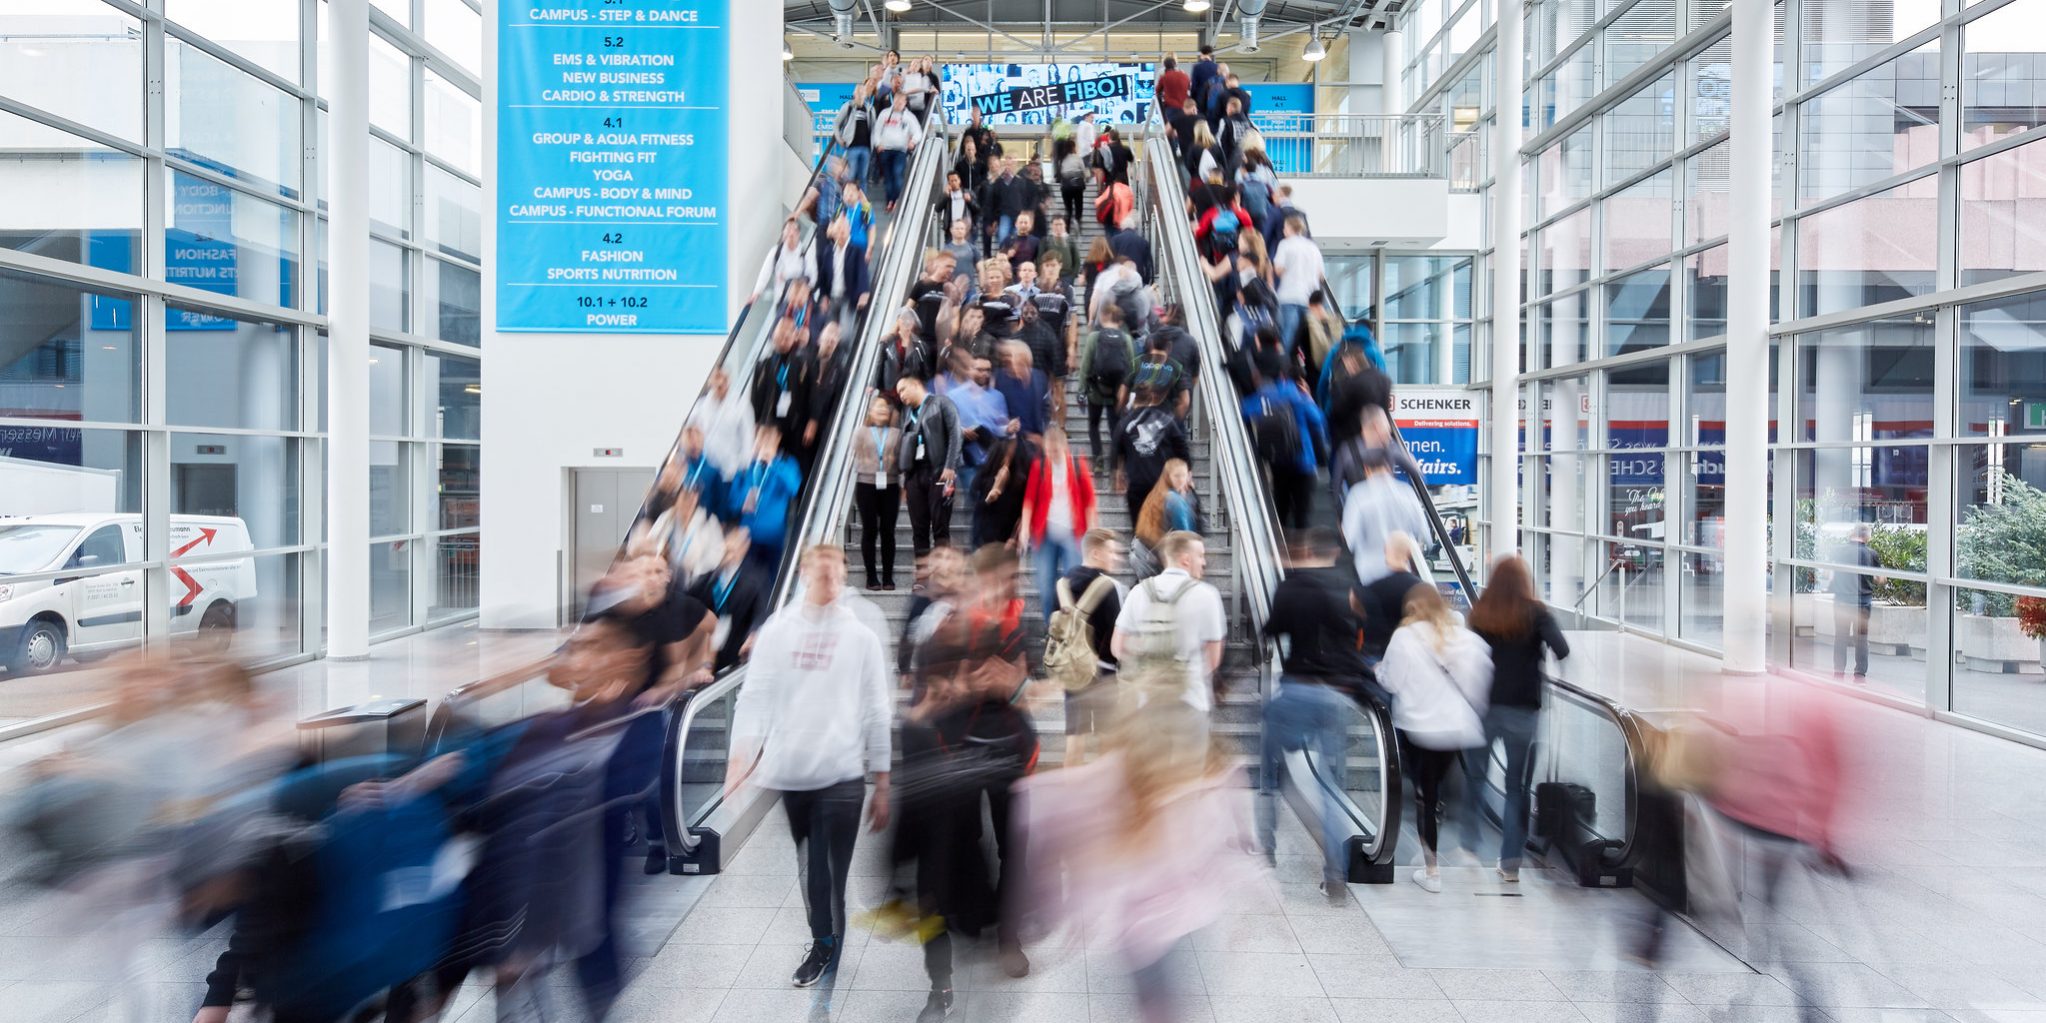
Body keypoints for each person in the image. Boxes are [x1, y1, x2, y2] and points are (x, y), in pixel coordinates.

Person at [728, 545, 893, 987]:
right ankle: (826, 933)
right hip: (792, 773)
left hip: (842, 774)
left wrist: (882, 780)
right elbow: (754, 696)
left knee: (823, 865)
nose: (831, 583)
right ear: (804, 574)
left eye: (837, 575)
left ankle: (824, 944)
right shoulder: (778, 631)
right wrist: (740, 756)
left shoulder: (860, 637)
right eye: (822, 575)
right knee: (809, 862)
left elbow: (878, 710)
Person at [1258, 528, 1372, 897]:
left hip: (1295, 688)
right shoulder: (1346, 589)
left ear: (1305, 552)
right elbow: (1351, 637)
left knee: (1269, 776)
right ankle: (1335, 874)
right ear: (1334, 553)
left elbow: (1271, 629)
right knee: (1328, 787)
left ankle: (1266, 852)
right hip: (1332, 694)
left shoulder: (1291, 588)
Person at [1378, 584, 1491, 894]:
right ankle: (1430, 849)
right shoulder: (1463, 637)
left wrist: (1378, 671)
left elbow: (1391, 682)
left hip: (1419, 728)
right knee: (1434, 792)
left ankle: (1431, 869)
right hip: (1454, 729)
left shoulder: (1404, 637)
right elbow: (1481, 677)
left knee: (1424, 796)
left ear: (1412, 607)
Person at [1463, 555, 1569, 881]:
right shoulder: (1537, 613)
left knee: (1475, 777)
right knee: (1516, 788)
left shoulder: (1481, 611)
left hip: (1484, 706)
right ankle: (1510, 863)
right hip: (1523, 710)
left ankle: (1469, 848)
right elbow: (1562, 648)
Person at [1112, 531, 1228, 714]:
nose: (1204, 562)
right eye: (1200, 556)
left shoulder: (1139, 591)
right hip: (1190, 702)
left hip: (1146, 701)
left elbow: (1118, 648)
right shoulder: (1207, 594)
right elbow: (1213, 660)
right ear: (1186, 559)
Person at [1050, 528, 1125, 764]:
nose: (1116, 558)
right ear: (1095, 553)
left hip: (1073, 671)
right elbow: (1116, 635)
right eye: (1111, 552)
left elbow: (1055, 628)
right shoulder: (1109, 586)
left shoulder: (1061, 585)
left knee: (1075, 743)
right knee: (1107, 742)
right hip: (1104, 673)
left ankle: (1071, 786)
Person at [1242, 357, 1330, 529]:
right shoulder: (1299, 397)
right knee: (1302, 517)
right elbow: (1318, 420)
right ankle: (1301, 543)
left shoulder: (1266, 396)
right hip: (1304, 463)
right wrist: (1309, 398)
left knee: (1280, 514)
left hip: (1278, 462)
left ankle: (1279, 542)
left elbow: (1245, 410)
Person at [1020, 426, 1096, 618]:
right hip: (1045, 535)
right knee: (1046, 586)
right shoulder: (1039, 466)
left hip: (1073, 534)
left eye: (1055, 451)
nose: (1051, 455)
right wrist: (1025, 529)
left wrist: (1092, 534)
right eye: (1048, 451)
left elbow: (1089, 502)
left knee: (1073, 586)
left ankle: (1070, 627)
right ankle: (1051, 627)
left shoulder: (1078, 465)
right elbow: (1029, 500)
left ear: (1064, 447)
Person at [684, 524, 772, 674]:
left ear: (745, 546)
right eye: (730, 547)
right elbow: (688, 599)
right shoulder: (709, 577)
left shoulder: (757, 577)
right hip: (705, 650)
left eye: (738, 545)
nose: (733, 551)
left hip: (736, 647)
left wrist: (754, 633)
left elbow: (762, 610)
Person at [896, 373, 963, 555]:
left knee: (940, 527)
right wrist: (904, 480)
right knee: (919, 529)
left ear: (916, 384)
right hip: (914, 474)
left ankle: (942, 570)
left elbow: (956, 434)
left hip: (939, 471)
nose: (901, 396)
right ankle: (922, 572)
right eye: (899, 393)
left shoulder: (942, 403)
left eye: (903, 389)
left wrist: (950, 465)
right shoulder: (907, 413)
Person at [1343, 448, 1429, 586]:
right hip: (1401, 568)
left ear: (1366, 469)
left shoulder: (1358, 495)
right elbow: (1424, 533)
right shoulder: (1406, 492)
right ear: (1389, 468)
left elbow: (1350, 538)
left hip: (1370, 571)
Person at [725, 424, 804, 570]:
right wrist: (744, 499)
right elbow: (732, 502)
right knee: (744, 576)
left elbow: (794, 487)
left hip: (773, 538)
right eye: (762, 437)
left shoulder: (787, 463)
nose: (765, 442)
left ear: (778, 439)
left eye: (769, 438)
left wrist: (773, 463)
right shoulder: (746, 466)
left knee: (771, 579)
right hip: (747, 536)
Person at [1115, 385, 1192, 527]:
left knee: (1139, 527)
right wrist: (1187, 472)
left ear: (1134, 399)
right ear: (1152, 398)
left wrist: (1118, 472)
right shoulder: (1166, 420)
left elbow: (1117, 449)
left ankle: (1139, 540)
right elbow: (1182, 447)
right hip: (1162, 482)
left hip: (1136, 483)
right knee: (1163, 526)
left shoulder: (1125, 423)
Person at [852, 395, 905, 590]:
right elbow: (855, 455)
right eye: (878, 407)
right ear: (870, 412)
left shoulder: (897, 433)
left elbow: (902, 459)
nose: (882, 410)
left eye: (885, 407)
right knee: (869, 530)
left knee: (888, 531)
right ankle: (871, 577)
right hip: (866, 484)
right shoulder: (861, 432)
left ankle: (888, 577)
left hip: (891, 485)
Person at [1078, 302, 1137, 471]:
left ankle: (1098, 460)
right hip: (1117, 393)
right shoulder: (1126, 339)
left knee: (1093, 425)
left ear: (1104, 317)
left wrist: (1081, 390)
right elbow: (1132, 367)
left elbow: (1085, 366)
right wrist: (1130, 392)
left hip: (1096, 390)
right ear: (1119, 320)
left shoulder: (1093, 338)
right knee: (1115, 427)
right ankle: (1116, 463)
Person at [1829, 523, 1885, 681]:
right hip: (1863, 603)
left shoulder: (1838, 551)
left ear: (1852, 533)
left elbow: (1828, 574)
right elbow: (1880, 579)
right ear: (1867, 536)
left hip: (1842, 601)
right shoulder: (1871, 554)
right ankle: (1860, 674)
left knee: (1840, 637)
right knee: (1861, 639)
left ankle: (1838, 672)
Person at [1271, 214, 1324, 358]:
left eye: (1285, 227)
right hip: (1309, 299)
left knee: (1287, 336)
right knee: (1309, 339)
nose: (1283, 231)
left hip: (1289, 296)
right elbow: (1320, 275)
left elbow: (1278, 269)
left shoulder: (1285, 244)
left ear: (1290, 228)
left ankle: (1283, 366)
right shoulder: (1313, 247)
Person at [968, 434, 1031, 551]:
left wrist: (1014, 537)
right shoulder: (985, 477)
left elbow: (1022, 511)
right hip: (985, 538)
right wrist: (993, 491)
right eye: (1004, 458)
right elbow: (977, 507)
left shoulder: (1019, 481)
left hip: (1007, 539)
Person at [1134, 459, 1200, 568]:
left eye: (1183, 475)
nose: (1181, 480)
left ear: (1188, 477)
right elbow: (1185, 534)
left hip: (1145, 556)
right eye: (1176, 476)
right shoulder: (1174, 500)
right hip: (1161, 559)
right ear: (1168, 477)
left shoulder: (1158, 493)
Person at [1125, 331, 1192, 422]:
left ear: (1148, 347)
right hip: (1164, 419)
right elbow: (1185, 402)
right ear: (1169, 348)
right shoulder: (1177, 367)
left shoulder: (1136, 363)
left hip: (1137, 417)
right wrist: (1174, 422)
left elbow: (1123, 392)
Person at [873, 89, 924, 210]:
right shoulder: (885, 113)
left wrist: (913, 141)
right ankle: (890, 201)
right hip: (885, 150)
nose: (899, 103)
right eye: (897, 100)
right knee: (888, 178)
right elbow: (877, 130)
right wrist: (878, 144)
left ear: (905, 102)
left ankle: (897, 201)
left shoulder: (909, 117)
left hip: (900, 151)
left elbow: (918, 132)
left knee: (897, 174)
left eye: (901, 101)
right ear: (893, 100)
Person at [994, 341, 1051, 442]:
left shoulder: (1040, 377)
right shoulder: (998, 378)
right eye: (1006, 357)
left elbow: (1046, 408)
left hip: (1037, 441)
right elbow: (995, 413)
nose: (1009, 361)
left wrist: (1044, 433)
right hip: (1010, 441)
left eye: (1012, 357)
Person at [749, 218, 815, 304]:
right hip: (781, 302)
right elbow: (765, 273)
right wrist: (756, 293)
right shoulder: (775, 251)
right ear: (783, 233)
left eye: (794, 230)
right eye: (788, 229)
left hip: (800, 302)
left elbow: (812, 275)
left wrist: (788, 277)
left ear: (798, 234)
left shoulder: (806, 252)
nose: (791, 233)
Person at [1109, 214, 1154, 284]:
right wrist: (1147, 280)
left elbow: (1110, 259)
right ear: (1134, 228)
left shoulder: (1115, 240)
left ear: (1122, 228)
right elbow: (1148, 264)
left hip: (1120, 277)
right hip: (1138, 278)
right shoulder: (1143, 241)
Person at [941, 170, 979, 239]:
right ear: (949, 182)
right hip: (951, 230)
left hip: (966, 229)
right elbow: (938, 208)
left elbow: (977, 209)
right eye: (951, 181)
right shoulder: (947, 194)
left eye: (955, 180)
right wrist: (946, 196)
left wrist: (970, 201)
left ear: (959, 180)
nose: (954, 183)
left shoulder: (968, 192)